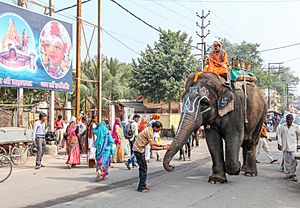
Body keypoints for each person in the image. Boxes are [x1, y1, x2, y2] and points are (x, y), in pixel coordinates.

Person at [133, 121, 171, 192]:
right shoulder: (149, 132)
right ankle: (141, 187)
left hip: (139, 150)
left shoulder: (149, 129)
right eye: (158, 129)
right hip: (138, 151)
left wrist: (163, 145)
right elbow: (153, 147)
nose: (158, 131)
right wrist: (164, 148)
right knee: (143, 169)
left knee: (143, 169)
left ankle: (143, 185)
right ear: (155, 127)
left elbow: (153, 142)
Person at [277, 114, 299, 182]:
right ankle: (288, 174)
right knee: (286, 162)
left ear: (292, 120)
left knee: (294, 161)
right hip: (285, 146)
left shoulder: (295, 127)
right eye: (288, 119)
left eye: (290, 119)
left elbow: (299, 136)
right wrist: (279, 144)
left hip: (293, 146)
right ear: (286, 119)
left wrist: (299, 144)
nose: (289, 120)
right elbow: (279, 135)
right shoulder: (282, 126)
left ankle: (293, 174)